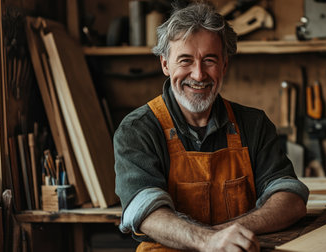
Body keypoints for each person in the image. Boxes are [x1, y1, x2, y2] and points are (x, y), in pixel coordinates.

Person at [114, 2, 309, 251]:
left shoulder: (253, 124)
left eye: (209, 60)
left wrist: (221, 235)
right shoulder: (138, 130)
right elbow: (146, 212)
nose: (198, 74)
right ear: (165, 64)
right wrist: (207, 241)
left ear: (224, 65)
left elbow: (290, 200)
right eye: (185, 60)